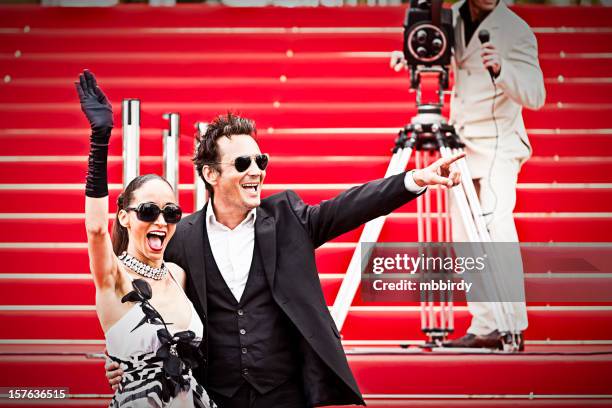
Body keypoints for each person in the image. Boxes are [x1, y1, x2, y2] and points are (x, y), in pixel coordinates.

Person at [106, 109, 465, 406]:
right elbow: (141, 297)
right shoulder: (181, 236)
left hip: (283, 394)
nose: (256, 171)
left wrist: (415, 179)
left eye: (260, 160)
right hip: (213, 395)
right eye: (243, 162)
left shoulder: (287, 217)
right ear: (210, 174)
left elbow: (350, 206)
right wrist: (120, 358)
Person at [392, 0, 546, 349]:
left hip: (497, 145)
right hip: (461, 142)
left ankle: (512, 324)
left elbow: (536, 95)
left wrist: (503, 68)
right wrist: (411, 51)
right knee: (466, 239)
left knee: (495, 229)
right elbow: (438, 52)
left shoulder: (516, 29)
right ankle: (485, 325)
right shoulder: (450, 18)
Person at [77, 69, 216, 407]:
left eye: (171, 213)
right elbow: (96, 229)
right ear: (124, 217)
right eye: (148, 211)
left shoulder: (176, 274)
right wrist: (100, 140)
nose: (160, 221)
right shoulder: (113, 279)